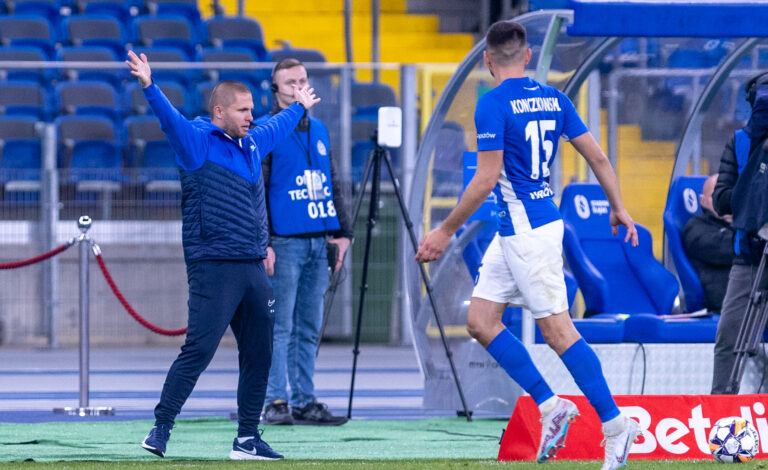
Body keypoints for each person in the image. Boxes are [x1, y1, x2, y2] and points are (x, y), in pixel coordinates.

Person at [414, 21, 641, 470]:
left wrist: (444, 231)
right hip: (517, 227)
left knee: (558, 332)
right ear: (530, 56)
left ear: (486, 60)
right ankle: (552, 407)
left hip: (530, 232)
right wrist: (619, 207)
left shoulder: (492, 103)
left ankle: (615, 426)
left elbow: (483, 180)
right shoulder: (554, 98)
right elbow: (596, 156)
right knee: (480, 320)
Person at [125, 50, 320, 460]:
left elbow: (279, 125)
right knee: (198, 350)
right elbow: (168, 119)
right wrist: (149, 85)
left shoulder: (252, 143)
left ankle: (247, 439)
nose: (252, 116)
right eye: (243, 110)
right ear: (219, 111)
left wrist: (299, 106)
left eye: (252, 109)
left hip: (251, 265)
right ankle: (161, 429)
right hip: (213, 266)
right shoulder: (195, 143)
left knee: (260, 354)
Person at [257, 58, 353, 426]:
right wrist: (262, 241)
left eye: (303, 81)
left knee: (309, 326)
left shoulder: (320, 129)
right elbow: (258, 190)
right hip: (284, 242)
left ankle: (304, 399)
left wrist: (344, 234)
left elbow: (332, 182)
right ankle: (275, 400)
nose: (299, 87)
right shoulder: (266, 130)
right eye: (290, 82)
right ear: (276, 90)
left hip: (318, 241)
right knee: (279, 325)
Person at [711, 71, 768, 395]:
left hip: (746, 258)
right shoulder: (742, 142)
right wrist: (754, 188)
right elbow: (721, 200)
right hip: (749, 255)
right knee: (730, 339)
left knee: (729, 340)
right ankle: (721, 411)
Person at [682, 174, 734, 312]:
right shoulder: (695, 228)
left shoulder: (745, 228)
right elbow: (729, 250)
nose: (724, 202)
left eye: (729, 195)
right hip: (726, 302)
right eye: (715, 195)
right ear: (702, 201)